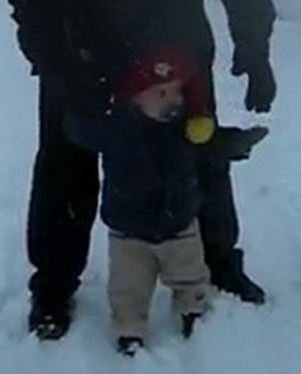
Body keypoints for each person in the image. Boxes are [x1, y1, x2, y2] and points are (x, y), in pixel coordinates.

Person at [6, 0, 277, 340]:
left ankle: (218, 261)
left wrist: (254, 47)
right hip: (84, 31)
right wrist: (66, 75)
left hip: (175, 30)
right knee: (67, 157)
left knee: (197, 145)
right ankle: (53, 286)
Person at [66, 44, 216, 356]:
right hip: (128, 229)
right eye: (160, 93)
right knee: (128, 287)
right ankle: (129, 326)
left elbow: (213, 145)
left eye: (176, 92)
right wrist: (76, 108)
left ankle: (191, 307)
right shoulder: (115, 129)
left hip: (179, 222)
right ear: (134, 96)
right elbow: (81, 131)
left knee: (189, 273)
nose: (172, 101)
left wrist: (230, 141)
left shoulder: (186, 127)